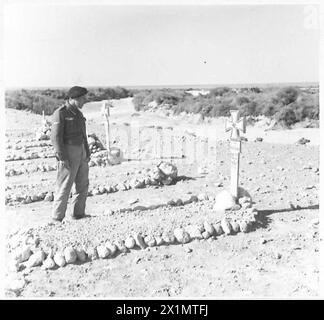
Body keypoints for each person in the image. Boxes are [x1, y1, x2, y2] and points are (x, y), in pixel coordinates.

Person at [51, 86, 91, 222]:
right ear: (75, 99)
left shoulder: (78, 114)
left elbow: (83, 135)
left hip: (81, 151)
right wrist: (62, 157)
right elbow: (55, 137)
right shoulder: (61, 113)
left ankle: (78, 214)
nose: (85, 101)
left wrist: (87, 150)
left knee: (83, 184)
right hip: (68, 152)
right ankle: (57, 217)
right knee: (65, 185)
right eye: (83, 99)